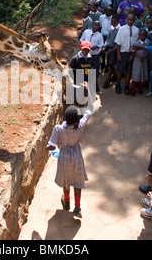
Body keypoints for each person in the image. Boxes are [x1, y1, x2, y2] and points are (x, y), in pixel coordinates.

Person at [46, 83, 98, 219]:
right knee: (77, 182)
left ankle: (66, 201)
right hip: (76, 156)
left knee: (66, 181)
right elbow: (90, 109)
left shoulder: (58, 129)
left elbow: (51, 145)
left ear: (65, 118)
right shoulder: (80, 126)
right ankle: (77, 207)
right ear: (77, 119)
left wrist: (49, 149)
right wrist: (88, 94)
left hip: (64, 158)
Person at [114, 13, 138, 95]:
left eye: (132, 20)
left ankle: (127, 86)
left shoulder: (136, 30)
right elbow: (118, 43)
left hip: (131, 53)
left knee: (129, 71)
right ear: (126, 20)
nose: (130, 21)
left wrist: (132, 55)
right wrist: (118, 54)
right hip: (122, 53)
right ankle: (118, 84)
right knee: (120, 71)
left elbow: (136, 44)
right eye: (128, 20)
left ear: (134, 20)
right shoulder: (122, 29)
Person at [80, 21, 104, 91]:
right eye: (95, 25)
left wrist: (96, 47)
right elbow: (81, 40)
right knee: (86, 70)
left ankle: (95, 83)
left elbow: (101, 45)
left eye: (98, 25)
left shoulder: (99, 35)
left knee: (96, 71)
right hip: (86, 56)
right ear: (92, 25)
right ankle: (86, 83)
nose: (96, 26)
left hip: (95, 55)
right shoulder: (86, 32)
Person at [103, 15, 120, 89]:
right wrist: (104, 45)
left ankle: (108, 79)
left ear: (118, 22)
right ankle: (114, 76)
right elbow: (108, 39)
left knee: (111, 63)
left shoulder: (119, 30)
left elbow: (119, 42)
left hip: (115, 49)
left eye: (115, 22)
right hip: (110, 48)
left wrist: (114, 49)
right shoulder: (111, 29)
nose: (113, 23)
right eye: (112, 22)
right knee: (110, 63)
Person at [130, 29, 149, 96]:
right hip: (137, 61)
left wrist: (144, 56)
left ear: (146, 36)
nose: (141, 36)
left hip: (144, 61)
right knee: (136, 73)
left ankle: (140, 87)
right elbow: (132, 51)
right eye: (140, 35)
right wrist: (139, 56)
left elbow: (148, 51)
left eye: (143, 35)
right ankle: (132, 88)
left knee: (142, 73)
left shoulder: (147, 42)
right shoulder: (136, 43)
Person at [99, 6, 114, 72]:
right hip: (103, 35)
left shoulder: (112, 18)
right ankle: (103, 63)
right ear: (105, 12)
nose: (110, 12)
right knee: (103, 50)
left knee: (109, 51)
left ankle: (108, 65)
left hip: (110, 36)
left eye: (111, 11)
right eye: (109, 11)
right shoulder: (101, 17)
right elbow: (100, 26)